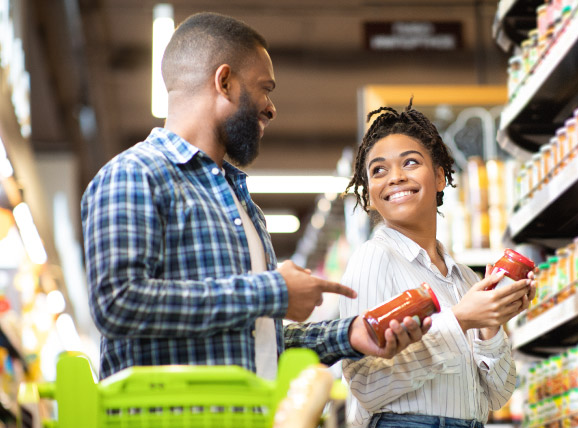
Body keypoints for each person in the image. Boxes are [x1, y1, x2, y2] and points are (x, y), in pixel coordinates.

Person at [80, 12, 429, 380]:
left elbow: (260, 340)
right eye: (265, 88)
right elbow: (117, 303)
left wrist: (350, 334)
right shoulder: (135, 175)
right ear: (225, 82)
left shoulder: (240, 203)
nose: (271, 107)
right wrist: (272, 290)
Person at [340, 102, 535, 428]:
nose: (395, 177)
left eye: (410, 162)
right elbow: (366, 384)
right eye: (378, 170)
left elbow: (498, 394)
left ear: (441, 176)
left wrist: (490, 324)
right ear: (370, 195)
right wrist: (461, 320)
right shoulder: (375, 259)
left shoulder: (465, 278)